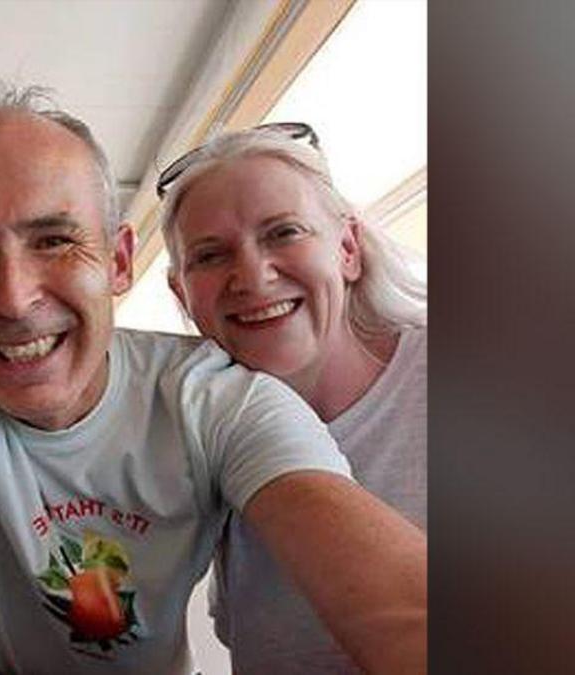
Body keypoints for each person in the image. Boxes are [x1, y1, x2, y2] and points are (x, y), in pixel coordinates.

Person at [0, 83, 425, 675]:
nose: (13, 298)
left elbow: (397, 600)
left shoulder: (217, 396)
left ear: (119, 261)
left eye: (53, 241)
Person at [158, 122, 427, 674]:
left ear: (347, 249)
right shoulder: (201, 446)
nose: (253, 276)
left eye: (283, 233)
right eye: (209, 255)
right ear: (181, 293)